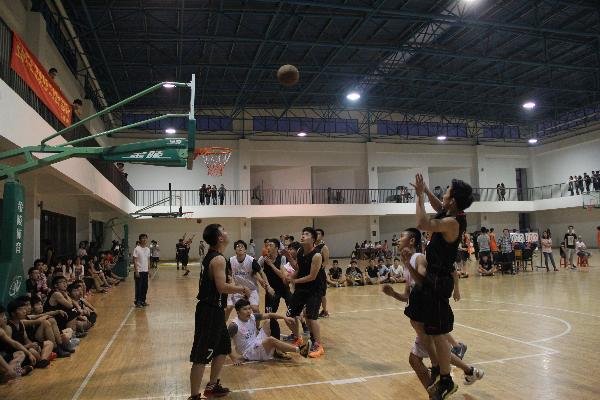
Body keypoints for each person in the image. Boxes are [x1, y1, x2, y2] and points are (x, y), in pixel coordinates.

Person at [382, 229, 483, 393]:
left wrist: (456, 289)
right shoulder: (408, 264)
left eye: (401, 237)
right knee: (433, 353)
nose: (398, 240)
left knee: (420, 358)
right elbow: (407, 296)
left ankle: (441, 382)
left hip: (427, 317)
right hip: (421, 317)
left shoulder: (419, 258)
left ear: (412, 241)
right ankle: (469, 371)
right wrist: (393, 293)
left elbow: (423, 281)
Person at [410, 174, 474, 400]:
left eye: (446, 191)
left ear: (453, 200)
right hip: (433, 278)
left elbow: (422, 223)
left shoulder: (452, 222)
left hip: (439, 280)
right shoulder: (454, 213)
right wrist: (427, 191)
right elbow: (439, 207)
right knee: (425, 325)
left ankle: (446, 379)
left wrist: (419, 197)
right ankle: (440, 370)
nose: (443, 193)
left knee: (438, 334)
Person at [188, 224, 251, 400]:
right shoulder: (218, 259)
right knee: (201, 355)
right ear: (220, 238)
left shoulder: (213, 256)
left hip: (214, 311)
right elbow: (221, 287)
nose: (227, 231)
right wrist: (242, 289)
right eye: (223, 230)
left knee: (223, 347)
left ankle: (212, 386)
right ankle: (194, 396)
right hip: (209, 311)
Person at [285, 227, 325, 358]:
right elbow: (298, 268)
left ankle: (318, 345)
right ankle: (298, 338)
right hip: (301, 288)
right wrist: (291, 276)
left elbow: (312, 276)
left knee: (311, 318)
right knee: (289, 317)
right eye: (302, 234)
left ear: (313, 239)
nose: (303, 236)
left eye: (306, 234)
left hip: (314, 289)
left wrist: (294, 281)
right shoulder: (300, 251)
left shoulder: (317, 255)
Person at [228, 299, 310, 363]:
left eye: (249, 308)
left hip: (255, 343)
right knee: (271, 340)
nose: (248, 311)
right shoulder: (234, 325)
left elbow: (270, 314)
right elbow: (225, 341)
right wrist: (233, 358)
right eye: (245, 309)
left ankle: (277, 351)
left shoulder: (252, 317)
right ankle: (300, 350)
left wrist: (284, 317)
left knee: (269, 321)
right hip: (249, 352)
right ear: (238, 312)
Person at [258, 238, 294, 345]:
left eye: (271, 245)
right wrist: (263, 282)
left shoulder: (282, 258)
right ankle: (274, 337)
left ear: (277, 248)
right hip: (272, 291)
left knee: (293, 309)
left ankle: (300, 330)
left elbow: (282, 275)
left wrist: (271, 265)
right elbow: (256, 271)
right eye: (267, 245)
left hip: (284, 289)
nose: (268, 247)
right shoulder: (262, 259)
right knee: (270, 315)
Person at [225, 240, 272, 320]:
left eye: (242, 246)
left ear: (245, 250)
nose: (240, 248)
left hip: (251, 289)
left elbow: (261, 272)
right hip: (238, 289)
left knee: (255, 309)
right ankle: (222, 326)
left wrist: (268, 286)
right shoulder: (231, 260)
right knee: (228, 308)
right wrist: (228, 278)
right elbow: (228, 273)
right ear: (235, 250)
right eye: (237, 246)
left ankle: (257, 326)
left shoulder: (251, 260)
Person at [314, 229, 331, 319]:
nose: (317, 235)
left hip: (320, 274)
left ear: (322, 236)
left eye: (319, 234)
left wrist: (318, 270)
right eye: (315, 233)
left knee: (322, 294)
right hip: (312, 272)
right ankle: (313, 310)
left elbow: (325, 262)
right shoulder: (312, 245)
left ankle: (324, 311)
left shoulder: (324, 247)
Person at [133, 234, 151, 308]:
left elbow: (148, 260)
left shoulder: (148, 249)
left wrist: (149, 270)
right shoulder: (137, 249)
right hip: (139, 271)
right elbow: (134, 260)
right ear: (140, 240)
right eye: (143, 238)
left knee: (145, 287)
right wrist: (136, 271)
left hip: (145, 271)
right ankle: (138, 301)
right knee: (138, 287)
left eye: (145, 238)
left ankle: (143, 301)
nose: (144, 239)